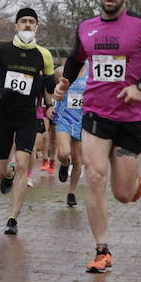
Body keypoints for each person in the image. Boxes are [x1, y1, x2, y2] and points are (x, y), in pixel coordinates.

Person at [54, 0, 141, 273]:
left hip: (130, 118)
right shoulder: (87, 27)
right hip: (95, 113)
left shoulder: (140, 26)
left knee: (122, 194)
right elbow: (76, 58)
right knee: (94, 177)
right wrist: (65, 81)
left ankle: (133, 182)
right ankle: (102, 251)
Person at [0, 7, 55, 235]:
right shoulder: (2, 50)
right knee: (0, 172)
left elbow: (50, 85)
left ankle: (13, 218)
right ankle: (7, 175)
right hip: (3, 116)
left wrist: (52, 95)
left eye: (32, 22)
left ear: (37, 27)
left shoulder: (44, 54)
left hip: (26, 117)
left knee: (23, 164)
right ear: (16, 25)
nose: (28, 25)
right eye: (24, 21)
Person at [52, 65, 88, 207]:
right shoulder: (61, 71)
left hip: (82, 121)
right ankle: (64, 164)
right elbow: (52, 87)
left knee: (78, 160)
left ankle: (71, 193)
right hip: (64, 119)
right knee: (64, 153)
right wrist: (51, 105)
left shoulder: (91, 72)